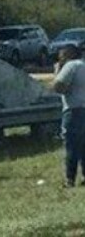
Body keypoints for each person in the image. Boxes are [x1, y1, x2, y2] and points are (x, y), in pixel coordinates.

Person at [51, 44, 85, 187]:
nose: (60, 59)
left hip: (74, 110)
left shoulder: (71, 66)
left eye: (62, 56)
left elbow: (58, 87)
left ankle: (70, 179)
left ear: (69, 54)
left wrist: (57, 71)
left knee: (71, 145)